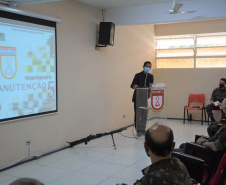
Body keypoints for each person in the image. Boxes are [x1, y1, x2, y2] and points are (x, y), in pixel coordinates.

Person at [130, 61, 154, 134]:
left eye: (150, 67)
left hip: (146, 97)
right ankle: (138, 130)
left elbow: (151, 86)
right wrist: (134, 86)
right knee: (138, 114)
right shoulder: (138, 75)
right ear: (143, 66)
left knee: (144, 114)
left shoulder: (150, 76)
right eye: (147, 66)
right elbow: (132, 85)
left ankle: (143, 129)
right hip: (138, 97)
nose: (148, 68)